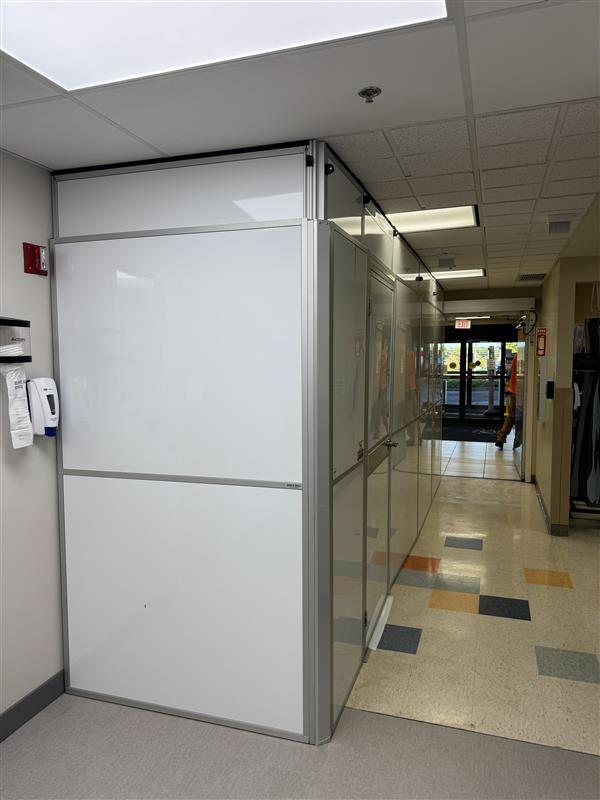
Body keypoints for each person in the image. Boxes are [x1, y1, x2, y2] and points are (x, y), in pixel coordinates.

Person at [495, 353, 517, 449]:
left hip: (513, 391)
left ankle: (501, 437)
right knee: (524, 417)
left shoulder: (516, 356)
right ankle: (519, 442)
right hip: (524, 392)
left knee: (511, 416)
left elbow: (511, 373)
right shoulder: (527, 354)